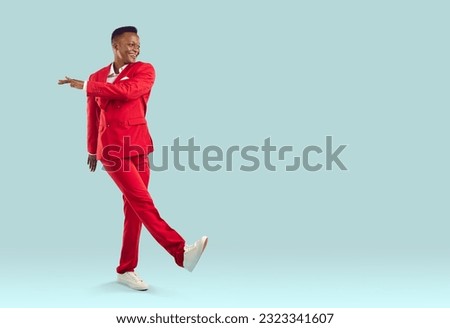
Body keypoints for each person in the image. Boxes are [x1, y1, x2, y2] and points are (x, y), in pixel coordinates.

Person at [58, 26, 207, 291]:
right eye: (130, 44)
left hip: (138, 146)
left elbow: (128, 92)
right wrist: (92, 149)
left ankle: (126, 269)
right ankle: (181, 252)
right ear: (115, 46)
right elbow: (93, 116)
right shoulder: (97, 76)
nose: (136, 49)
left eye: (138, 44)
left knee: (135, 211)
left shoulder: (144, 70)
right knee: (143, 202)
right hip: (113, 151)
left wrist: (88, 87)